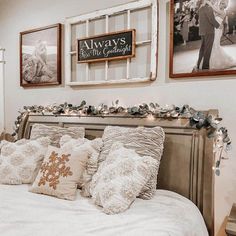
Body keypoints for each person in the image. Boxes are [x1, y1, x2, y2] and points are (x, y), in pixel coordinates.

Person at [207, 0, 236, 70]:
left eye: (222, 4)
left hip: (218, 30)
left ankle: (217, 61)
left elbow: (214, 8)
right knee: (213, 44)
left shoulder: (223, 12)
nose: (220, 5)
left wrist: (210, 3)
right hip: (214, 29)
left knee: (215, 44)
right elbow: (212, 16)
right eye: (220, 3)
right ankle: (210, 60)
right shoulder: (218, 12)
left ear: (224, 6)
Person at [193, 0, 220, 71]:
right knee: (208, 49)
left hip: (202, 31)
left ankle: (198, 64)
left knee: (202, 49)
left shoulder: (200, 8)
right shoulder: (208, 8)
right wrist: (218, 25)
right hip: (209, 31)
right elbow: (211, 19)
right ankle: (205, 67)